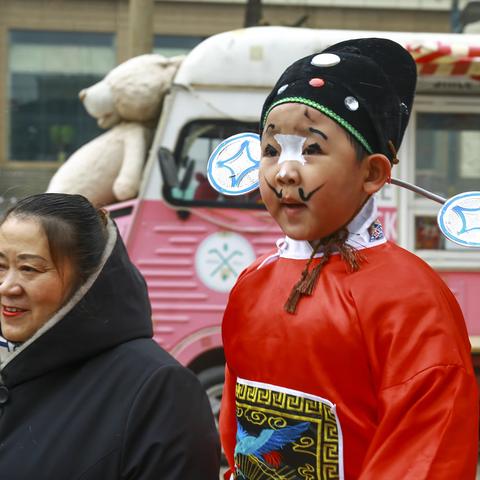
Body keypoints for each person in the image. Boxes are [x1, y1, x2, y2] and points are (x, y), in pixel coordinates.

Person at [219, 38, 479, 479]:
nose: (284, 171)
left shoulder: (411, 298)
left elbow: (426, 452)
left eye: (312, 150)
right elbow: (238, 432)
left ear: (373, 173)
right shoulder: (253, 280)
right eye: (271, 149)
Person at [0, 193, 220, 479]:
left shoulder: (159, 389)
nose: (7, 286)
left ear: (89, 281)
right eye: (1, 265)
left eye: (29, 268)